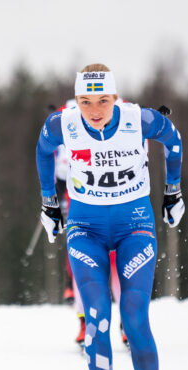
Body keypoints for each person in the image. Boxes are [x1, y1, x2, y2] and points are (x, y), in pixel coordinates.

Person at [35, 64, 185, 370]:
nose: (94, 109)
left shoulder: (138, 119)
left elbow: (173, 138)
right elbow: (43, 148)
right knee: (98, 315)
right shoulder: (63, 123)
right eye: (86, 101)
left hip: (135, 227)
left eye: (103, 100)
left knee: (134, 319)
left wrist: (173, 191)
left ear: (115, 98)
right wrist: (48, 200)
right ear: (76, 101)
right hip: (85, 230)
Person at [52, 100, 128, 347]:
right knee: (82, 260)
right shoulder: (68, 134)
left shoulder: (118, 129)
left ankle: (128, 322)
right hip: (81, 207)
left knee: (120, 263)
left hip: (114, 207)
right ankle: (85, 321)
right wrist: (58, 202)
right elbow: (61, 174)